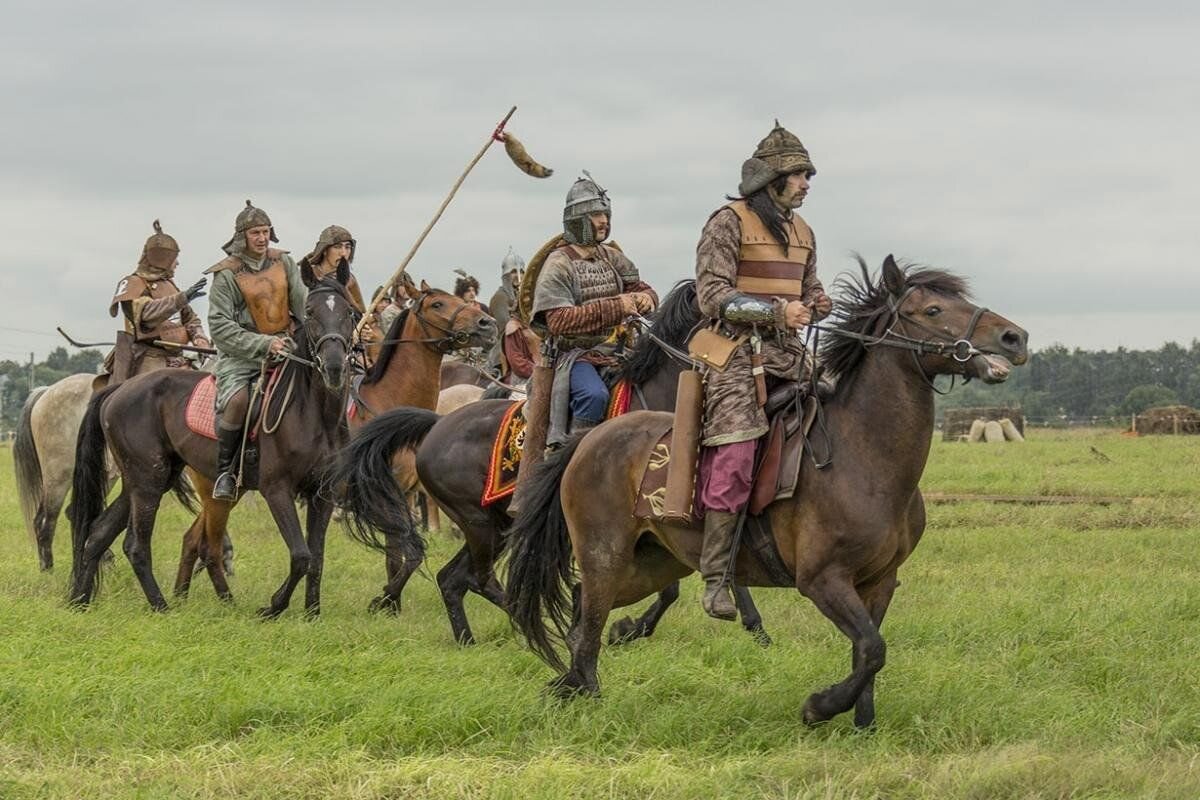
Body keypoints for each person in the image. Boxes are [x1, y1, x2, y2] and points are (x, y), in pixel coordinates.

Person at [693, 121, 833, 620]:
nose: (807, 183)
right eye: (799, 175)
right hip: (733, 352)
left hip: (788, 351)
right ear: (771, 180)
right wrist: (777, 312)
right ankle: (715, 578)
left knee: (841, 404)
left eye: (807, 175)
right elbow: (710, 294)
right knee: (736, 447)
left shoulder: (804, 231)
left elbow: (808, 288)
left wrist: (817, 302)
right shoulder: (727, 221)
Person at [530, 173, 657, 444]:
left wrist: (648, 298)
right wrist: (617, 306)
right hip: (574, 355)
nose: (604, 221)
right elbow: (558, 321)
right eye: (596, 214)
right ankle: (571, 457)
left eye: (606, 214)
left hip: (619, 351)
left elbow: (639, 287)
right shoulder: (559, 263)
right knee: (593, 395)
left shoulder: (611, 257)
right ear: (578, 219)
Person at [205, 200, 307, 501]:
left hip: (288, 348)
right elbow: (220, 327)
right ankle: (226, 471)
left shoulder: (284, 263)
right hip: (242, 356)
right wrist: (264, 343)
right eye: (255, 233)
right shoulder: (226, 275)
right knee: (239, 400)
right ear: (242, 237)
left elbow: (303, 303)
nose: (262, 238)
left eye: (265, 232)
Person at [102, 219, 210, 386]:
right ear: (163, 259)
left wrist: (199, 337)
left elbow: (189, 318)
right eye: (174, 259)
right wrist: (181, 298)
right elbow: (147, 314)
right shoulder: (134, 283)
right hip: (148, 357)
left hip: (179, 357)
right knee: (145, 398)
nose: (177, 263)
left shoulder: (169, 285)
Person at [298, 225, 366, 312]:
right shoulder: (307, 276)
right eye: (337, 247)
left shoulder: (350, 279)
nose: (343, 253)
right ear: (325, 250)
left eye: (347, 247)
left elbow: (361, 314)